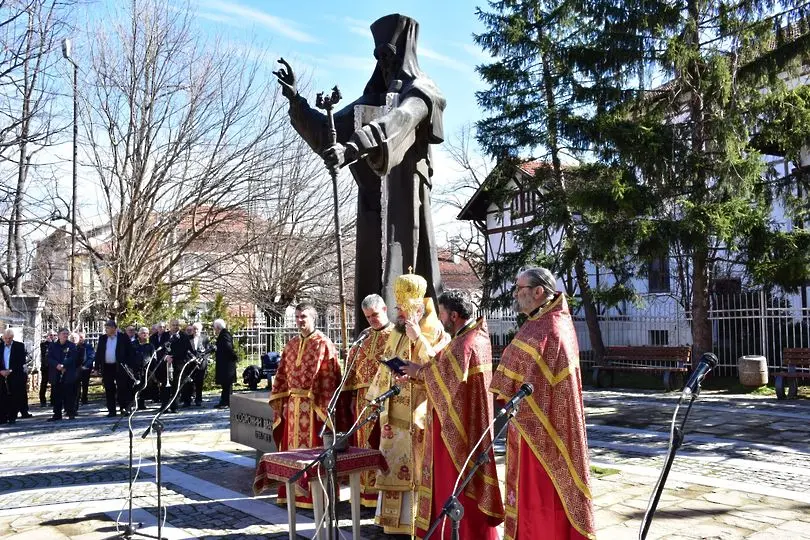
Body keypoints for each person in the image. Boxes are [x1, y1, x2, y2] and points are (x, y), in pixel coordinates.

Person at [274, 13, 446, 332]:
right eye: (378, 55)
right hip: (372, 202)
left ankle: (415, 340)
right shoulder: (368, 102)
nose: (383, 62)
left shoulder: (423, 92)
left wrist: (354, 148)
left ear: (405, 52)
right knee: (371, 273)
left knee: (409, 267)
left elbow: (400, 120)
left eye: (389, 54)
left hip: (406, 202)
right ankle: (370, 343)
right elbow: (329, 134)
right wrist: (297, 101)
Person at [489, 268, 595, 540]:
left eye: (519, 288)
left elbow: (533, 373)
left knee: (542, 496)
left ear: (538, 291)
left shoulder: (553, 326)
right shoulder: (539, 321)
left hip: (548, 428)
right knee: (526, 493)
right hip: (528, 423)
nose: (515, 293)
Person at [396, 291, 504, 539]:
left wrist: (418, 373)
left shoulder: (464, 344)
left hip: (455, 430)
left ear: (453, 315)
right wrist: (418, 374)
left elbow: (443, 379)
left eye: (442, 313)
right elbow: (448, 379)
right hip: (464, 421)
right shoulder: (474, 337)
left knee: (453, 485)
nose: (440, 318)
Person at [366, 272, 449, 534]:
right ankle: (393, 527)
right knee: (392, 467)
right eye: (398, 308)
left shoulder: (434, 331)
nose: (399, 313)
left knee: (415, 473)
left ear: (416, 306)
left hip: (418, 415)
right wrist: (380, 407)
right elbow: (385, 369)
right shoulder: (396, 333)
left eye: (403, 308)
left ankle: (416, 526)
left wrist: (417, 338)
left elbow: (439, 369)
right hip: (393, 414)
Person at [269, 303, 342, 509]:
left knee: (313, 451)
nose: (300, 320)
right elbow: (282, 374)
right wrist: (282, 402)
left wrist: (324, 407)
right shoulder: (291, 344)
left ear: (313, 319)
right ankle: (292, 494)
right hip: (292, 407)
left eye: (304, 317)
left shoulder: (324, 344)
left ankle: (315, 497)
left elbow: (330, 377)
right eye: (298, 317)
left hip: (314, 408)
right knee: (292, 452)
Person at [342, 293, 394, 507]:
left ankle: (382, 495)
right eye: (367, 316)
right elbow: (353, 368)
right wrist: (353, 396)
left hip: (386, 399)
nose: (372, 319)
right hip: (364, 399)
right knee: (363, 444)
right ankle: (364, 493)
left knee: (382, 443)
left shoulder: (396, 335)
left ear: (385, 310)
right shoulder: (364, 336)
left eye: (374, 315)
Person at [95, 320, 136, 417]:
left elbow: (130, 352)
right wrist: (96, 367)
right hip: (107, 367)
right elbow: (99, 353)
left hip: (120, 367)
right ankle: (111, 411)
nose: (106, 330)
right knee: (109, 389)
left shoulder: (123, 337)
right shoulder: (103, 338)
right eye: (106, 328)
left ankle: (124, 408)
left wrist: (129, 366)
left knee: (122, 388)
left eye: (108, 328)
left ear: (114, 328)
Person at [47, 328, 79, 421]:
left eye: (67, 334)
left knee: (69, 394)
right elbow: (49, 358)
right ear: (59, 335)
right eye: (63, 333)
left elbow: (73, 357)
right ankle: (57, 414)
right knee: (56, 394)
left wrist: (64, 365)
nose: (65, 335)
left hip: (68, 373)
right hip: (56, 373)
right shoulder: (53, 346)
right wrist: (57, 365)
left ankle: (70, 412)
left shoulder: (72, 345)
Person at [163, 319, 192, 413]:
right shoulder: (165, 335)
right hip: (166, 363)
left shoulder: (184, 336)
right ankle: (165, 406)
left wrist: (173, 357)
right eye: (173, 325)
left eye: (177, 325)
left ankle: (174, 406)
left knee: (176, 385)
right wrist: (166, 356)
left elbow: (185, 350)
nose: (175, 327)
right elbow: (161, 348)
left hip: (179, 363)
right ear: (170, 325)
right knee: (165, 386)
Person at [1, 329, 26, 424]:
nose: (7, 340)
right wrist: (1, 371)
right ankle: (2, 416)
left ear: (12, 337)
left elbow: (21, 361)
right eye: (5, 338)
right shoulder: (0, 346)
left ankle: (12, 416)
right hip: (2, 374)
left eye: (9, 338)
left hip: (14, 374)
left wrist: (10, 370)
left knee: (14, 395)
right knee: (2, 396)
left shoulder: (19, 346)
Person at [185, 322, 210, 407]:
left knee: (199, 382)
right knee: (188, 382)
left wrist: (203, 359)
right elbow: (186, 350)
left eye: (197, 329)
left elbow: (208, 351)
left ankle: (198, 399)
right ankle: (187, 400)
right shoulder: (188, 338)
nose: (195, 331)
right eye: (194, 329)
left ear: (200, 330)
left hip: (201, 364)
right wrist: (192, 358)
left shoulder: (205, 338)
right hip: (190, 363)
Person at [212, 319, 236, 408]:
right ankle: (224, 401)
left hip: (227, 364)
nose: (214, 330)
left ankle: (226, 402)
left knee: (227, 384)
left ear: (218, 327)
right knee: (225, 385)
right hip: (225, 364)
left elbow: (228, 348)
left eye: (215, 328)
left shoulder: (224, 335)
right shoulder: (224, 334)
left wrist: (233, 357)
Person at [133, 327, 155, 410]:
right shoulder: (133, 344)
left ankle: (142, 404)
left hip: (146, 369)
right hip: (135, 369)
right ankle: (135, 403)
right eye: (143, 333)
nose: (145, 334)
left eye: (146, 333)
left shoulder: (150, 345)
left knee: (144, 387)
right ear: (138, 334)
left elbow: (153, 357)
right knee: (136, 387)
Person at [76, 332, 95, 407]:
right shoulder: (75, 346)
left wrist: (86, 365)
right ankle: (77, 398)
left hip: (86, 368)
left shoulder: (88, 346)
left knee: (85, 384)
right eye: (79, 337)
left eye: (82, 337)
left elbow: (91, 357)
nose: (80, 339)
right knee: (77, 384)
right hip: (77, 368)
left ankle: (84, 398)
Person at [39, 329, 56, 407]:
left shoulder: (56, 344)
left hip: (53, 367)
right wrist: (49, 342)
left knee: (54, 384)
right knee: (44, 384)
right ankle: (42, 400)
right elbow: (44, 353)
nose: (52, 336)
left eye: (53, 335)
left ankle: (53, 400)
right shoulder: (43, 344)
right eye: (50, 335)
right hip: (45, 367)